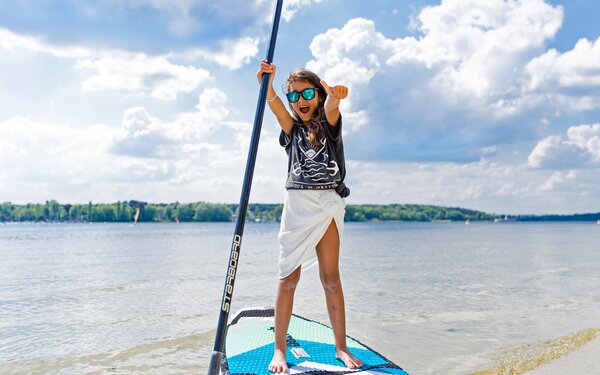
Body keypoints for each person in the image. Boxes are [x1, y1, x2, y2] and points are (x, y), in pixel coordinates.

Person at [257, 59, 364, 373]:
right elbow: (275, 106)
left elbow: (332, 109)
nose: (300, 101)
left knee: (331, 279)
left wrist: (335, 97)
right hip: (298, 205)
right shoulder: (291, 130)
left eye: (307, 94)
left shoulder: (330, 127)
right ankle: (280, 349)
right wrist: (269, 81)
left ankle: (341, 347)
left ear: (317, 94)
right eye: (294, 96)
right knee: (288, 277)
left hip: (328, 203)